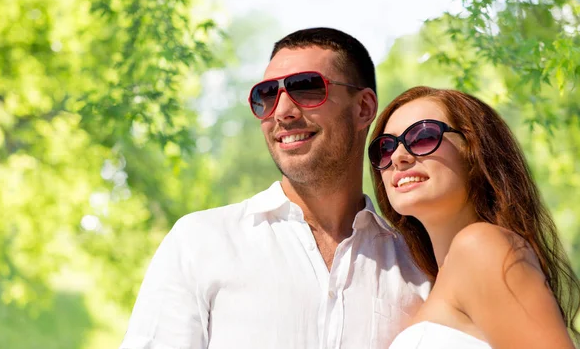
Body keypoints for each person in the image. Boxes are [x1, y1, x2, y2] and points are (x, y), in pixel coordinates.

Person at [118, 27, 431, 349]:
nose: (282, 112)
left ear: (363, 108)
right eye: (266, 95)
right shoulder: (199, 241)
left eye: (306, 89)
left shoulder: (418, 264)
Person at [367, 86, 580, 348]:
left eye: (423, 137)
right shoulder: (433, 284)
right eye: (385, 148)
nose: (398, 157)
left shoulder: (482, 246)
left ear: (475, 152)